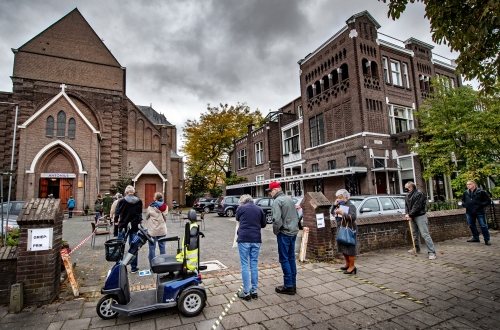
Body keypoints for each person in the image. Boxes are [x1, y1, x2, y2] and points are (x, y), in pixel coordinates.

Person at [268, 181, 299, 295]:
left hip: (284, 233)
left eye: (270, 191)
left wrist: (276, 232)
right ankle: (293, 283)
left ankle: (288, 286)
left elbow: (276, 220)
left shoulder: (277, 201)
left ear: (275, 190)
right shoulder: (289, 198)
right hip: (293, 232)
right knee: (291, 258)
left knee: (284, 259)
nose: (270, 194)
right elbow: (295, 215)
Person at [235, 194, 266, 300]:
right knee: (254, 264)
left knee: (244, 264)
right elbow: (263, 224)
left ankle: (246, 292)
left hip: (244, 239)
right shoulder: (259, 209)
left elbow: (237, 219)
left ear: (242, 201)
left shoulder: (241, 208)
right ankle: (254, 291)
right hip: (256, 239)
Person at [405, 182, 437, 259]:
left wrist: (410, 214)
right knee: (414, 234)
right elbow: (406, 206)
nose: (406, 190)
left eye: (407, 188)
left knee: (425, 234)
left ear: (411, 187)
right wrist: (407, 214)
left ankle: (432, 252)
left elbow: (417, 206)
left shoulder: (419, 194)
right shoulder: (407, 196)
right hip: (412, 217)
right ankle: (416, 249)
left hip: (420, 216)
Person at [115, 185, 143, 273]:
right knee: (134, 246)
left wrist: (116, 222)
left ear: (126, 192)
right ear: (133, 192)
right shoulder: (139, 201)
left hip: (123, 226)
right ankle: (134, 267)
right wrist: (139, 222)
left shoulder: (121, 201)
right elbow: (139, 214)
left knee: (120, 246)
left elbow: (117, 213)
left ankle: (119, 266)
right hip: (134, 227)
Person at [331, 189, 358, 274]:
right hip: (341, 228)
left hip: (349, 229)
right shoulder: (339, 204)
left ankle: (352, 266)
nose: (338, 199)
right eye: (337, 197)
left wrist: (343, 213)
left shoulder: (351, 205)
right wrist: (334, 206)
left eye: (340, 197)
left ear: (345, 197)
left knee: (350, 248)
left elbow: (353, 217)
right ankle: (347, 264)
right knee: (343, 247)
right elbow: (333, 213)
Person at [461, 180, 491, 245]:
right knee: (471, 225)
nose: (468, 185)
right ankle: (476, 238)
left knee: (483, 225)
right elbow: (463, 200)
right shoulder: (465, 192)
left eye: (469, 184)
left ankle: (487, 239)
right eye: (467, 184)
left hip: (479, 211)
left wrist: (480, 205)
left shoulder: (481, 192)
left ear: (474, 184)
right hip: (469, 212)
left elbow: (488, 201)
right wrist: (464, 204)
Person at [144, 192, 168, 266]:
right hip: (162, 230)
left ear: (155, 198)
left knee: (152, 248)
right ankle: (163, 263)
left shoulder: (150, 206)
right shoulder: (165, 206)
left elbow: (147, 216)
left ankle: (152, 264)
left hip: (152, 231)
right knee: (162, 247)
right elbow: (165, 215)